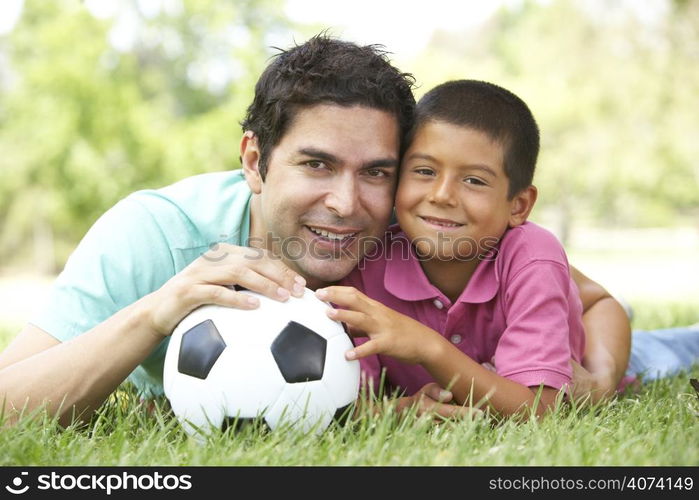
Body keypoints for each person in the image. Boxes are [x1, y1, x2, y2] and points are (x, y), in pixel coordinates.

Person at [0, 36, 630, 426]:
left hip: (515, 354)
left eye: (376, 172)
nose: (347, 203)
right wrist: (156, 312)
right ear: (254, 160)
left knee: (667, 348)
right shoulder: (158, 232)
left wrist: (601, 375)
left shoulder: (409, 226)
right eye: (317, 164)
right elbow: (9, 403)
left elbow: (594, 300)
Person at [315, 80, 699, 417]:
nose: (442, 195)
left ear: (518, 205)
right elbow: (349, 401)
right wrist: (396, 410)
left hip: (578, 358)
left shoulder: (531, 255)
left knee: (672, 349)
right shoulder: (365, 258)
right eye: (425, 171)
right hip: (541, 322)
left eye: (474, 180)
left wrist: (428, 347)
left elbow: (539, 409)